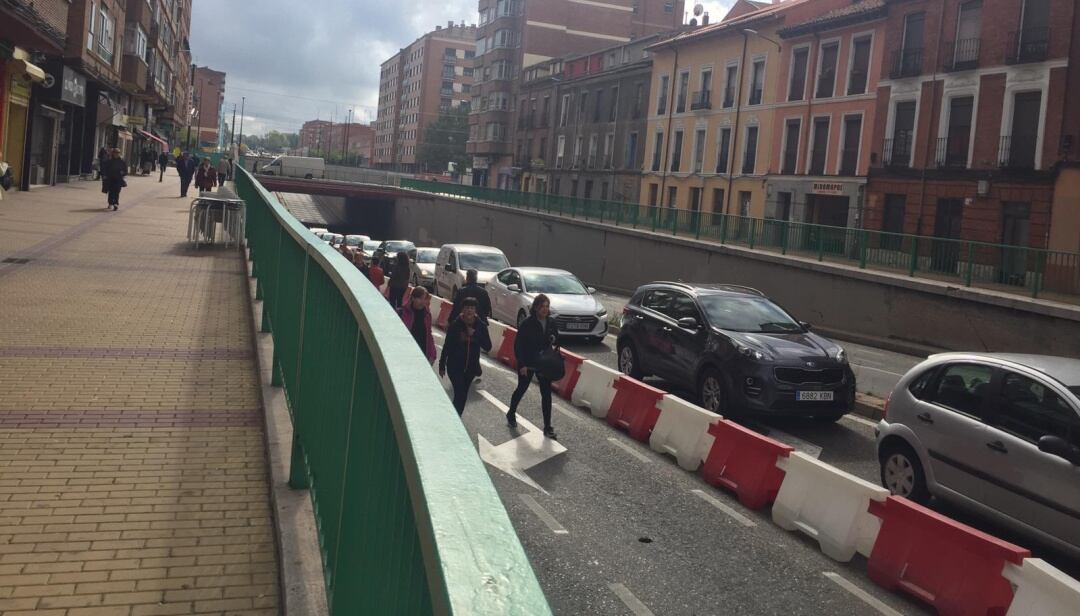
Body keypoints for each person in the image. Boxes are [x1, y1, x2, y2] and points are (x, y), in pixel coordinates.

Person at [507, 294, 559, 439]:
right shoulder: (527, 323)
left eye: (547, 306)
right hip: (528, 362)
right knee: (522, 388)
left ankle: (547, 427)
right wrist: (523, 364)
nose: (545, 309)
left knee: (546, 394)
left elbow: (557, 337)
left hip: (544, 363)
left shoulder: (551, 322)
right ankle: (511, 413)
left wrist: (554, 338)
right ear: (535, 307)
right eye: (542, 306)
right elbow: (519, 345)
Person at [439, 297, 492, 415]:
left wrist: (475, 334)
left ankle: (455, 417)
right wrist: (442, 365)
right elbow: (447, 346)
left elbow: (488, 346)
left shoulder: (481, 326)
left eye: (472, 308)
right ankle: (454, 418)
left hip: (471, 368)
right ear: (462, 309)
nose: (469, 311)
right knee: (460, 393)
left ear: (475, 310)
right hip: (454, 366)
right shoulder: (455, 325)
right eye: (467, 308)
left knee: (463, 396)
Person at [399, 287, 437, 365]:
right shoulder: (402, 312)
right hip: (404, 352)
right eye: (420, 298)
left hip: (421, 353)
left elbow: (428, 335)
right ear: (413, 298)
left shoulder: (427, 315)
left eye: (425, 299)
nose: (422, 301)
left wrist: (432, 354)